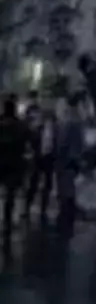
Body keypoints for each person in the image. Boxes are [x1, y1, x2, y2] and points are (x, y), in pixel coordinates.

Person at [0, 94, 30, 252]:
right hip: (15, 165)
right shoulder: (21, 126)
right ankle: (7, 223)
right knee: (10, 197)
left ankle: (6, 223)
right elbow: (29, 142)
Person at [55, 93, 84, 236]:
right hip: (74, 159)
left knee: (65, 189)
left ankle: (65, 218)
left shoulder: (69, 120)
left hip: (66, 160)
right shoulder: (79, 119)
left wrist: (58, 155)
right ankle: (68, 215)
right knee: (70, 188)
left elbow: (63, 142)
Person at [23, 104, 58, 223]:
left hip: (48, 159)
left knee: (45, 185)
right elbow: (32, 141)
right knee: (34, 184)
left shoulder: (53, 128)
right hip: (39, 158)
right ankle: (28, 208)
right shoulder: (39, 128)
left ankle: (42, 209)